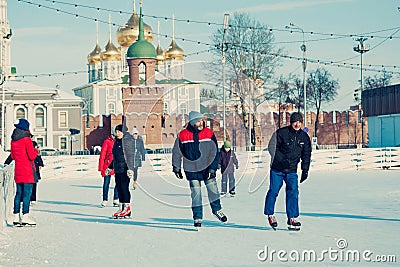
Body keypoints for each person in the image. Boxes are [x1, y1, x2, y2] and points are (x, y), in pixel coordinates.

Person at [172, 111, 228, 229]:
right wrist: (176, 167)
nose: (201, 122)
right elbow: (177, 152)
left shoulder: (208, 133)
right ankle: (197, 217)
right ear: (192, 122)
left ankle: (217, 210)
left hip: (207, 168)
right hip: (191, 170)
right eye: (198, 121)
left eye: (201, 120)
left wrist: (213, 168)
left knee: (213, 191)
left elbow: (214, 152)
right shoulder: (182, 135)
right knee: (196, 194)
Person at [263, 112, 311, 230]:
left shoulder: (304, 137)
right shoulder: (281, 133)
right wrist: (281, 159)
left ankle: (292, 218)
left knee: (293, 192)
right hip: (277, 169)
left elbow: (306, 154)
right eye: (295, 122)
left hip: (292, 171)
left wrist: (305, 170)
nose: (297, 124)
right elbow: (272, 147)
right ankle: (270, 214)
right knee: (273, 191)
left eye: (299, 122)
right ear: (291, 122)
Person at [10, 119, 38, 226]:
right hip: (27, 171)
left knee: (18, 194)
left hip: (18, 170)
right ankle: (25, 216)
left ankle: (16, 216)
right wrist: (36, 150)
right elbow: (31, 155)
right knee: (27, 194)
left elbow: (13, 156)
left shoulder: (13, 140)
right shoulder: (27, 140)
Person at [107, 124, 135, 218]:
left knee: (124, 188)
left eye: (119, 131)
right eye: (116, 131)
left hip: (125, 169)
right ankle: (121, 207)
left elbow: (131, 156)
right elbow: (116, 157)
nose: (117, 133)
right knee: (119, 188)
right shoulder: (117, 142)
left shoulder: (128, 142)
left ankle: (127, 208)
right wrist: (110, 167)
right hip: (118, 169)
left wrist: (130, 169)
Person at [4, 141, 43, 205]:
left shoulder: (34, 149)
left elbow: (38, 158)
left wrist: (40, 164)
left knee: (33, 185)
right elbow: (13, 155)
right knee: (23, 185)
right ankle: (23, 199)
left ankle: (32, 199)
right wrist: (7, 162)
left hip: (33, 170)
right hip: (25, 170)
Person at [98, 126, 119, 207]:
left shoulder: (119, 141)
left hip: (117, 165)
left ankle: (116, 199)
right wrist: (101, 167)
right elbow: (103, 154)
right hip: (108, 165)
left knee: (118, 182)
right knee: (106, 183)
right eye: (115, 132)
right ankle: (105, 199)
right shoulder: (107, 141)